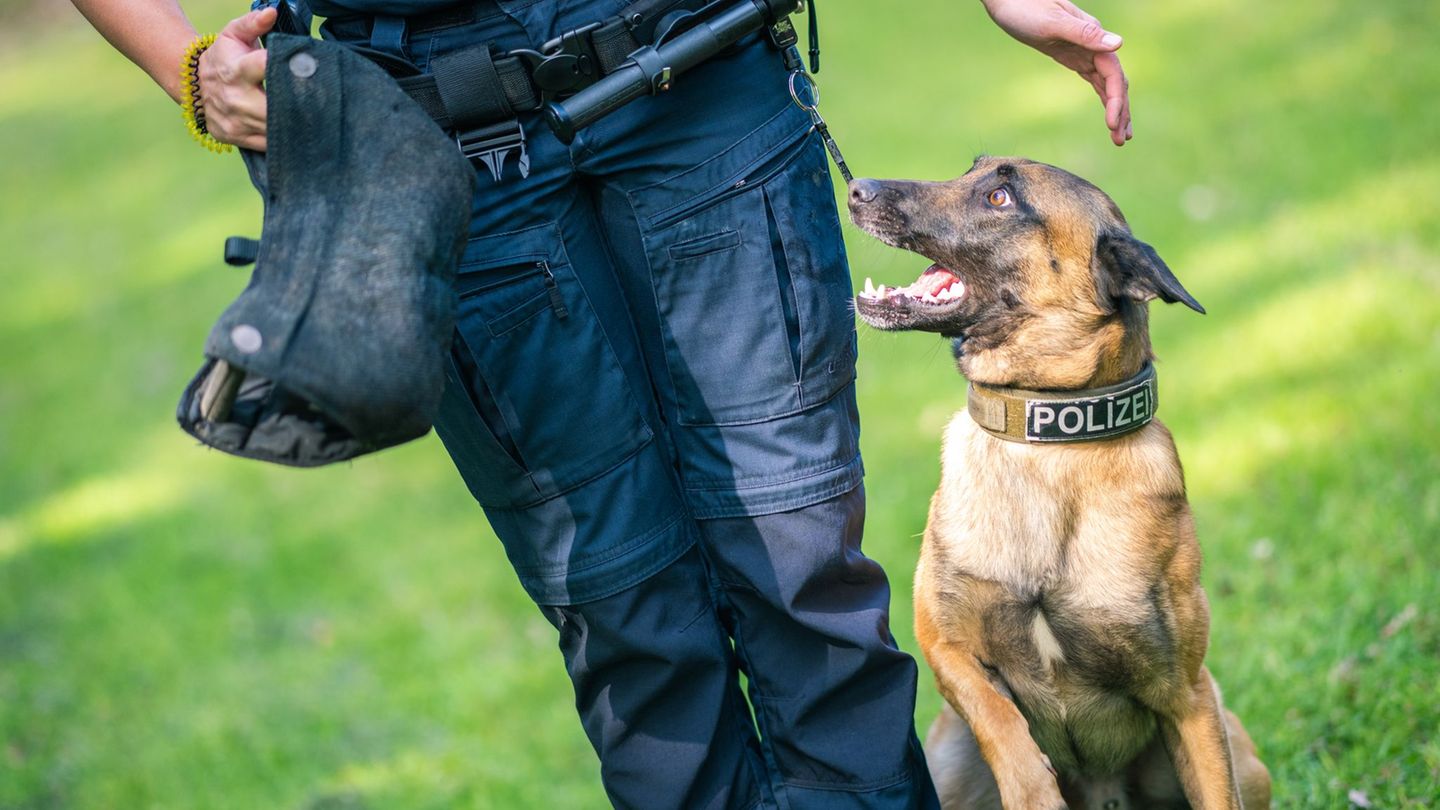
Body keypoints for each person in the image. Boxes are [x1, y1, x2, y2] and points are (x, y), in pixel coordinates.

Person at [67, 0, 1131, 806]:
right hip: (422, 141)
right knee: (628, 617)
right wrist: (187, 67)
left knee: (801, 569)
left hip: (701, 73)